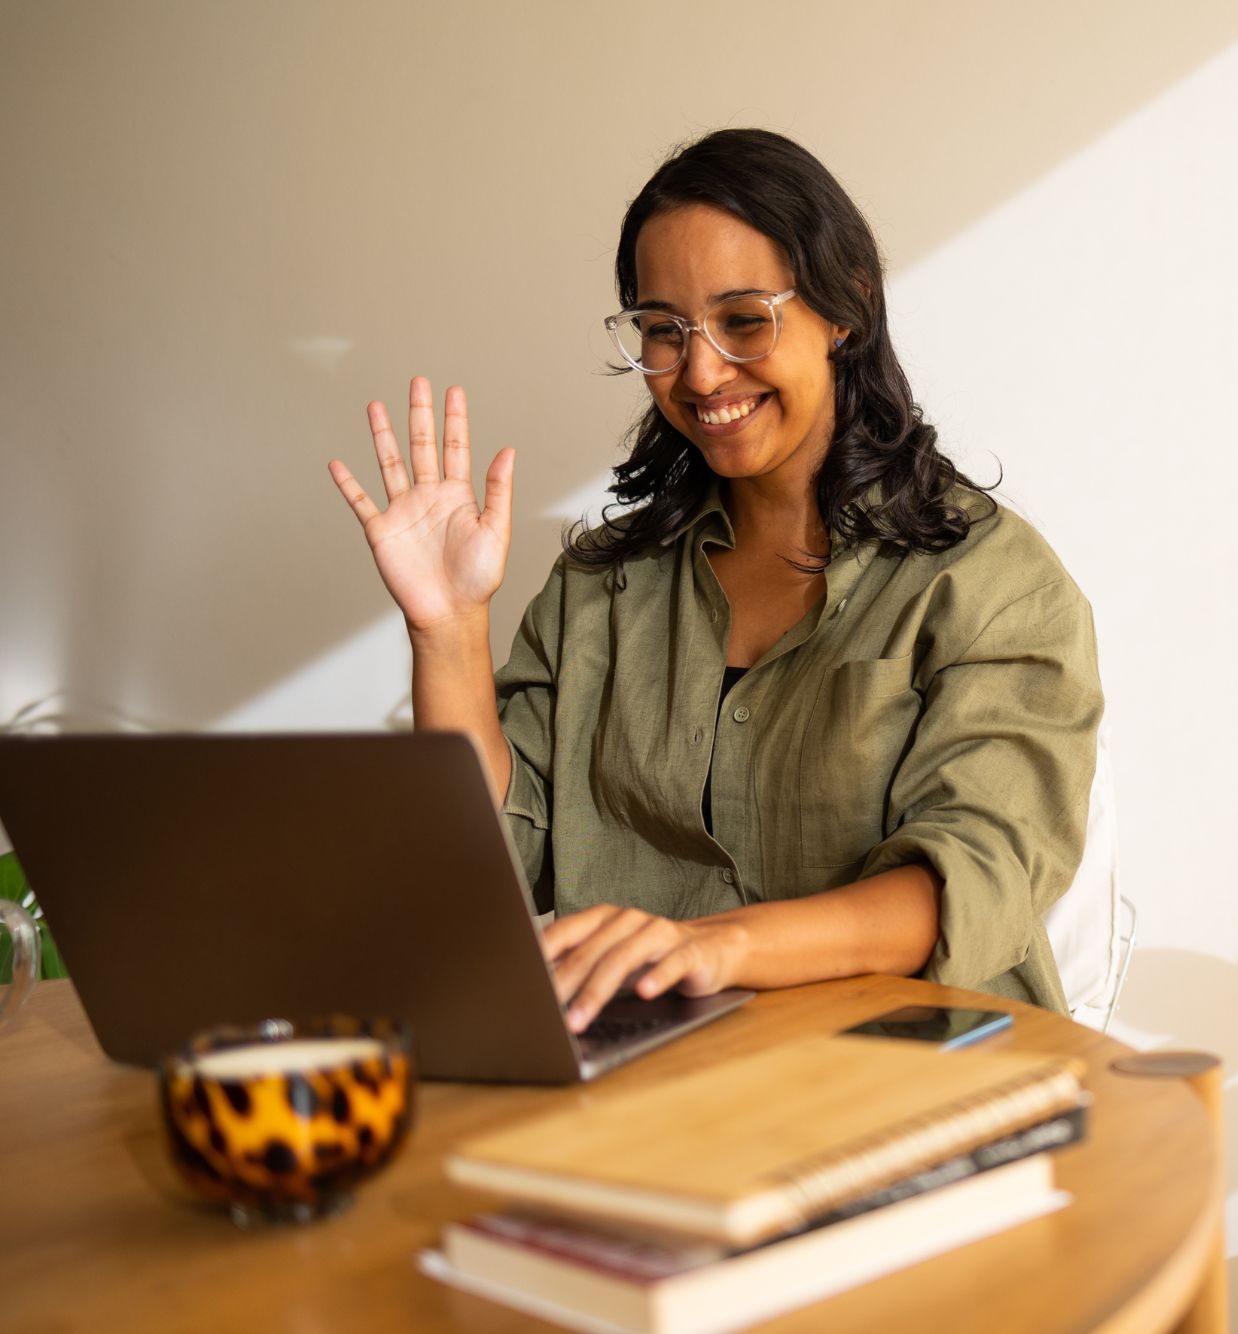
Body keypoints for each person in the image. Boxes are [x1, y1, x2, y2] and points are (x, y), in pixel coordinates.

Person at [328, 129, 1101, 1031]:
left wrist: (713, 946)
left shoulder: (988, 583)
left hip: (905, 1079)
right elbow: (487, 867)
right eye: (664, 331)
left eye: (744, 320)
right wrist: (448, 629)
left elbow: (970, 878)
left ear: (844, 305)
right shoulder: (600, 589)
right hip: (647, 1071)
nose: (699, 372)